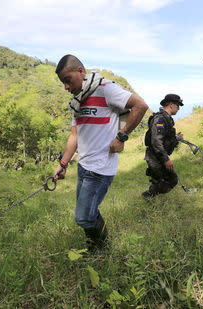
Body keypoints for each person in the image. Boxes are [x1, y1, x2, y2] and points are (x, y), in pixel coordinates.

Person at [52, 55, 148, 253]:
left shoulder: (105, 88)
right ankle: (95, 249)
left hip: (100, 168)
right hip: (84, 166)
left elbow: (140, 106)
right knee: (88, 212)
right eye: (63, 83)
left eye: (67, 80)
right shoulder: (78, 101)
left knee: (83, 216)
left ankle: (103, 250)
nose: (66, 87)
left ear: (80, 72)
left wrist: (121, 137)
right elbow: (74, 136)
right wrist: (62, 164)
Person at [142, 94, 184, 199]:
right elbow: (156, 141)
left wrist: (176, 138)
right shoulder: (160, 119)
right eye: (178, 105)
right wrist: (166, 159)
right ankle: (148, 197)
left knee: (169, 180)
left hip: (159, 157)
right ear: (171, 105)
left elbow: (164, 138)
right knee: (166, 180)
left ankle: (151, 198)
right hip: (156, 157)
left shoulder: (166, 119)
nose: (178, 108)